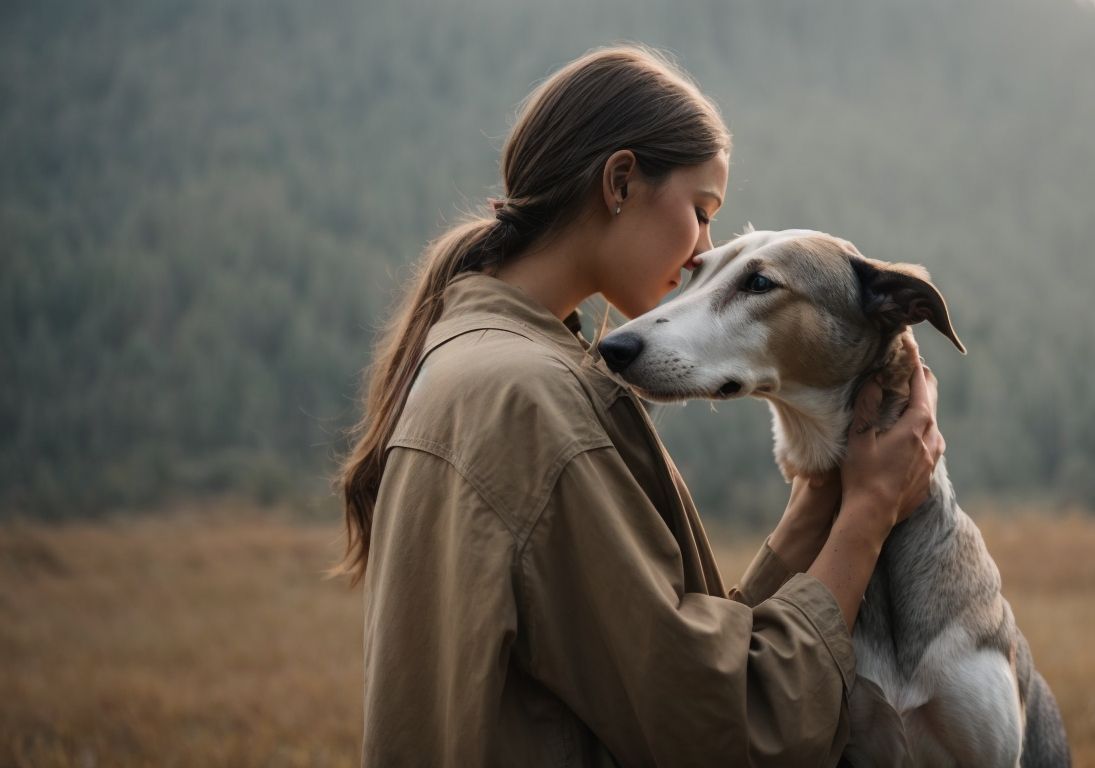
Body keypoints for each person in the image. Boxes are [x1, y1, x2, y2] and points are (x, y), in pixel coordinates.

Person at [336, 44, 945, 767]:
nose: (701, 253)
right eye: (701, 210)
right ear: (620, 182)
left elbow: (665, 654)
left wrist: (821, 499)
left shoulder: (463, 355)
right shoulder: (539, 405)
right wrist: (868, 516)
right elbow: (727, 729)